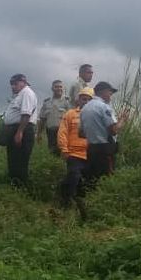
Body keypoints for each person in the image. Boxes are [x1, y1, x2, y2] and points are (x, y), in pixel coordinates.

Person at [57, 88, 94, 218]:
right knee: (74, 176)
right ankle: (65, 201)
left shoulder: (94, 115)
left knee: (85, 182)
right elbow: (62, 132)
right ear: (78, 99)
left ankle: (80, 206)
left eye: (89, 99)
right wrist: (64, 149)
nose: (86, 101)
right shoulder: (70, 114)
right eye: (84, 98)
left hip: (90, 155)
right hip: (74, 154)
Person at [80, 81, 124, 188]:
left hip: (91, 149)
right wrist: (122, 120)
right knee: (106, 178)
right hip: (105, 150)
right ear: (103, 92)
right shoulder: (104, 107)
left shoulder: (84, 109)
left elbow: (81, 133)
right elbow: (113, 130)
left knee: (92, 178)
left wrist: (94, 133)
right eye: (110, 93)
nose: (110, 96)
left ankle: (87, 201)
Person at [3, 73, 38, 186]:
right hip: (15, 129)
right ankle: (14, 186)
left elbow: (26, 114)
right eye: (11, 84)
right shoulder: (19, 95)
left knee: (20, 162)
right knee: (13, 161)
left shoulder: (27, 93)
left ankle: (21, 189)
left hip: (23, 129)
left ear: (23, 83)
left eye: (15, 84)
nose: (13, 86)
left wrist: (20, 132)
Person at [38, 80, 71, 155]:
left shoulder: (67, 102)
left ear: (63, 88)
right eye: (56, 87)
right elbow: (42, 119)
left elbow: (72, 118)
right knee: (52, 153)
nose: (59, 88)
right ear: (52, 88)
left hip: (64, 132)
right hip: (50, 132)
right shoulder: (47, 102)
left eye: (60, 87)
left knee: (64, 153)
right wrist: (39, 133)